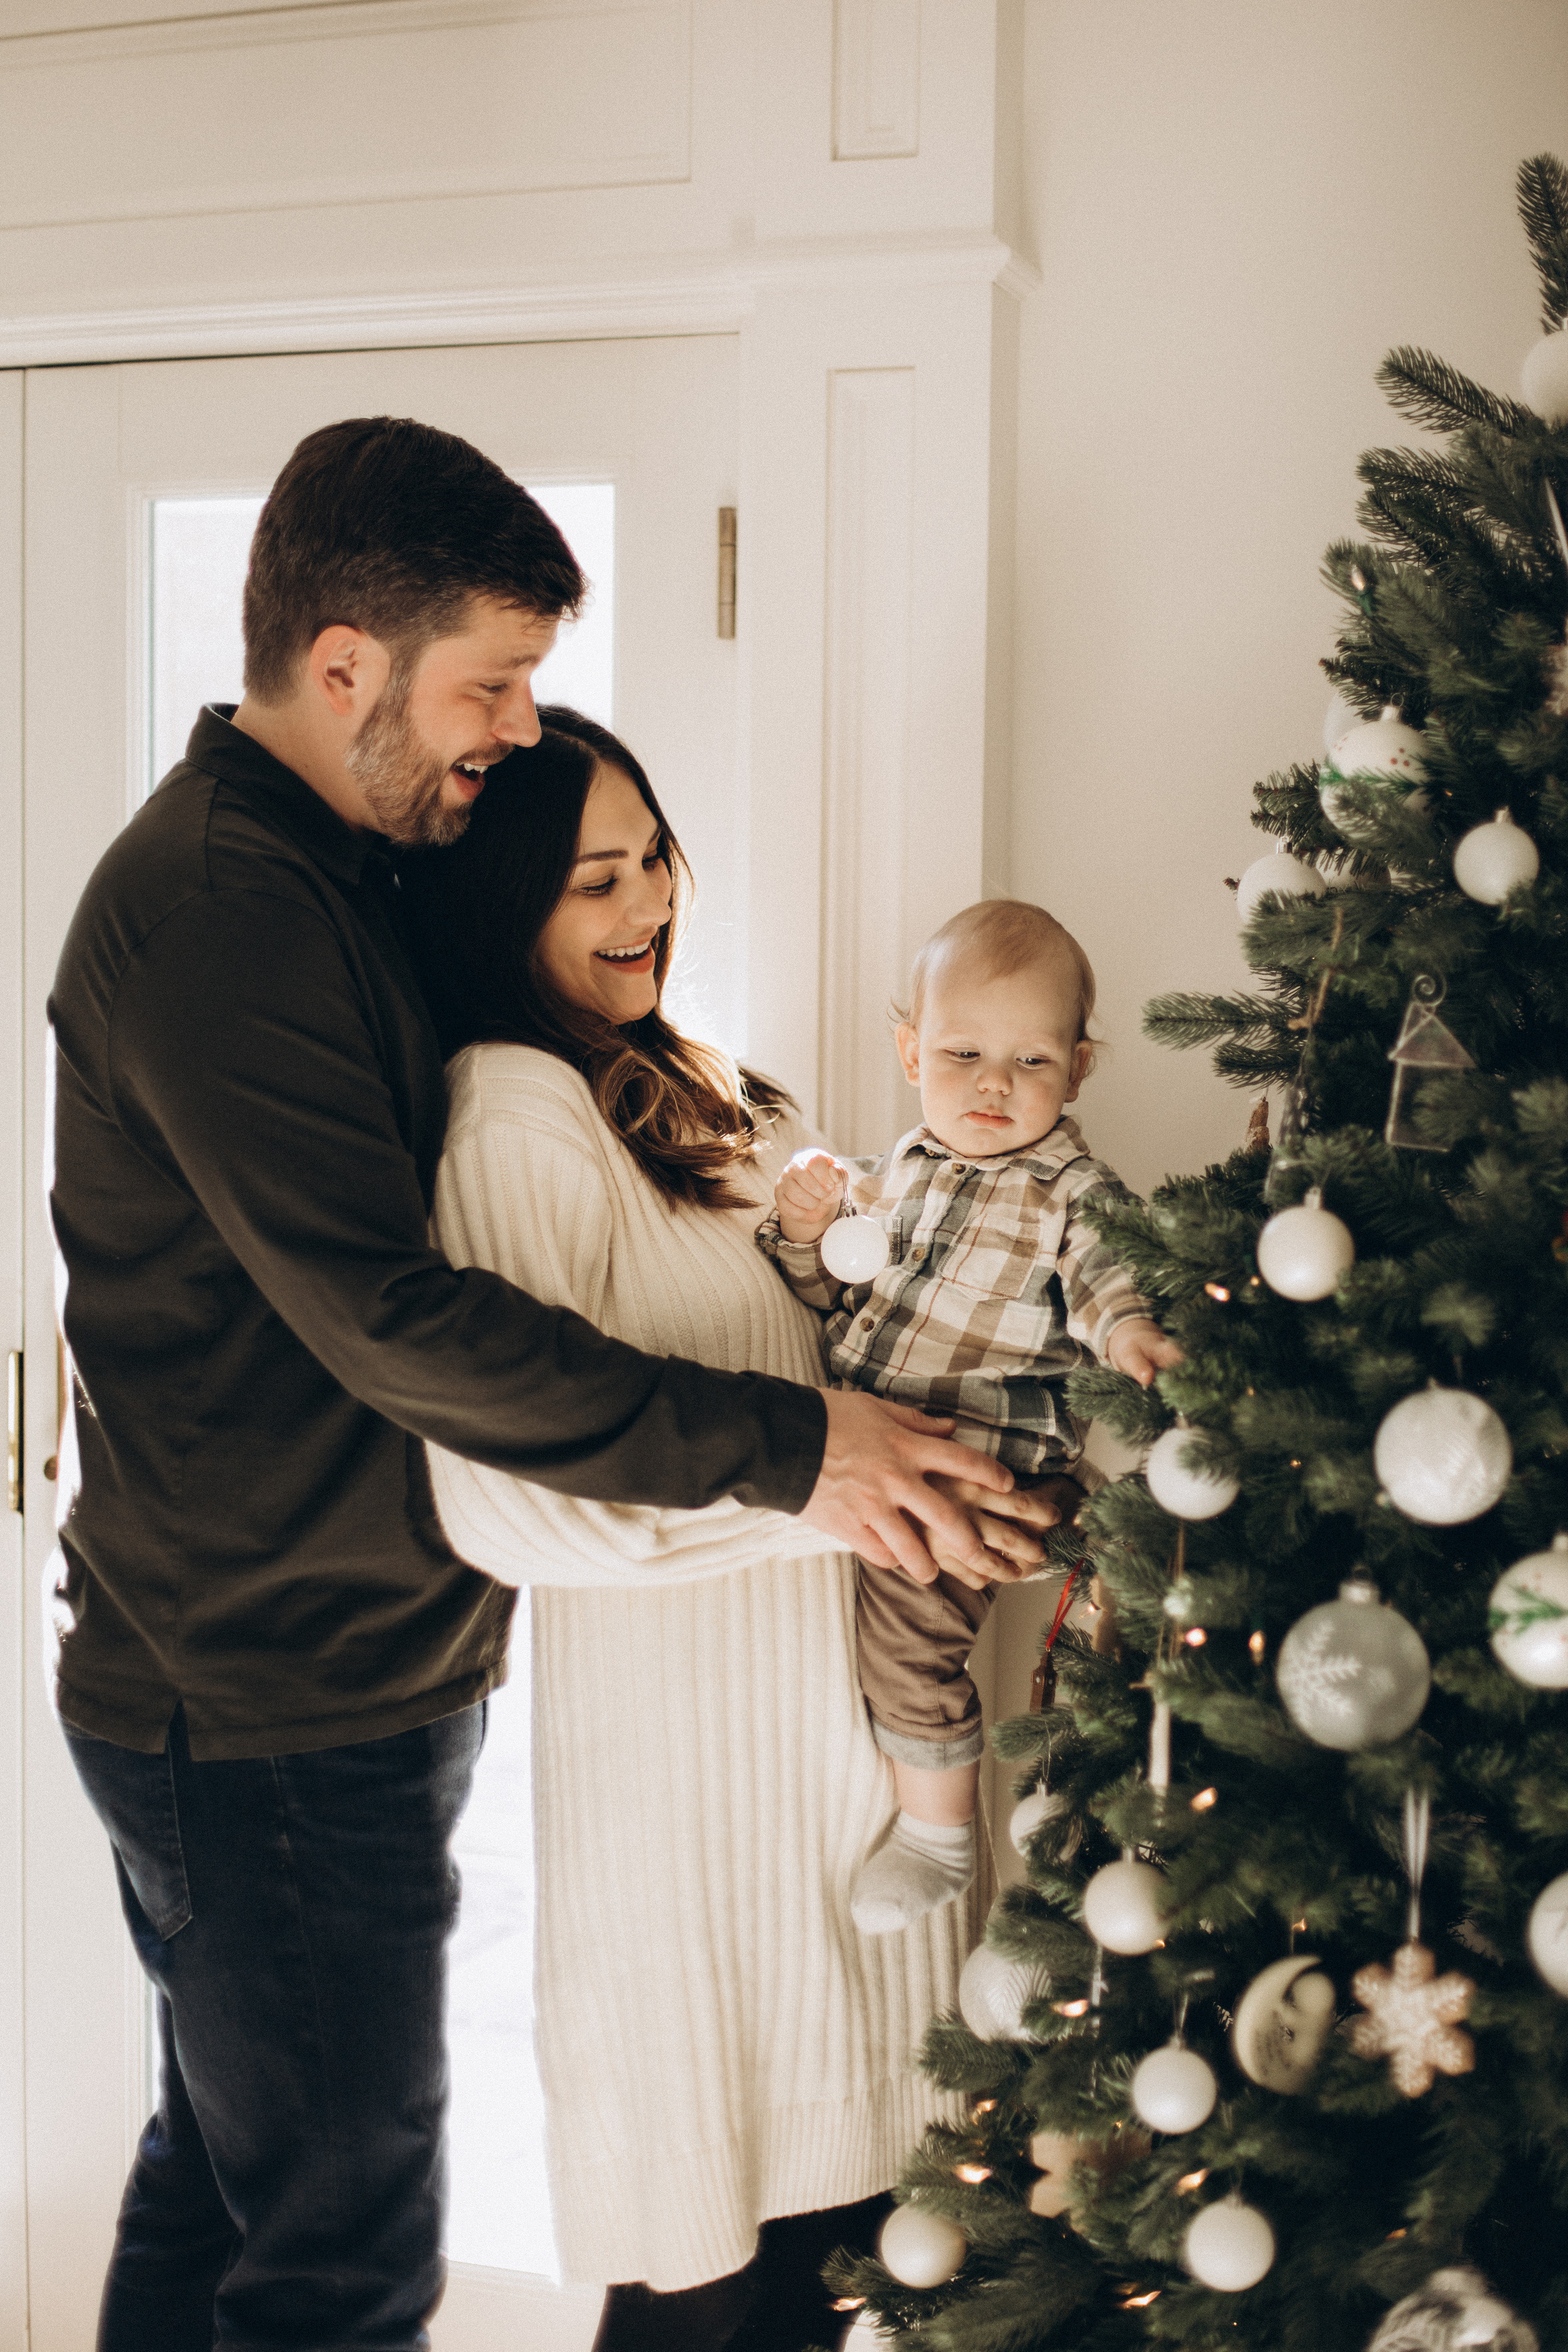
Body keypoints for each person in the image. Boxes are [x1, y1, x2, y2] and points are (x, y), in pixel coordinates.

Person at [45, 417, 1052, 2352]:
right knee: (335, 2250)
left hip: (312, 1677)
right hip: (257, 1699)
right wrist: (805, 1456)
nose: (514, 725)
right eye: (487, 687)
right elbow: (398, 1322)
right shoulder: (225, 913)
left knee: (227, 2193)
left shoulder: (337, 877)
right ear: (341, 666)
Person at [398, 713, 1086, 2352]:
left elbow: (886, 1374)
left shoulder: (722, 1103)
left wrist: (982, 1493)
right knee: (719, 2301)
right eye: (591, 878)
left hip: (857, 1809)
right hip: (705, 1856)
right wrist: (835, 1490)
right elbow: (518, 1501)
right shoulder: (513, 1115)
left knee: (869, 2282)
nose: (643, 904)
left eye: (654, 860)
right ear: (505, 906)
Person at [757, 900, 1182, 1936]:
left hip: (973, 1463)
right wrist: (811, 1229)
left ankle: (940, 1835)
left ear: (1078, 1072)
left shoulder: (1073, 1192)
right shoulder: (899, 1171)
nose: (994, 1084)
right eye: (963, 1053)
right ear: (911, 1052)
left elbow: (1108, 1277)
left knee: (912, 1633)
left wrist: (1129, 1335)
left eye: (1031, 1062)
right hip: (882, 1430)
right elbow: (828, 1294)